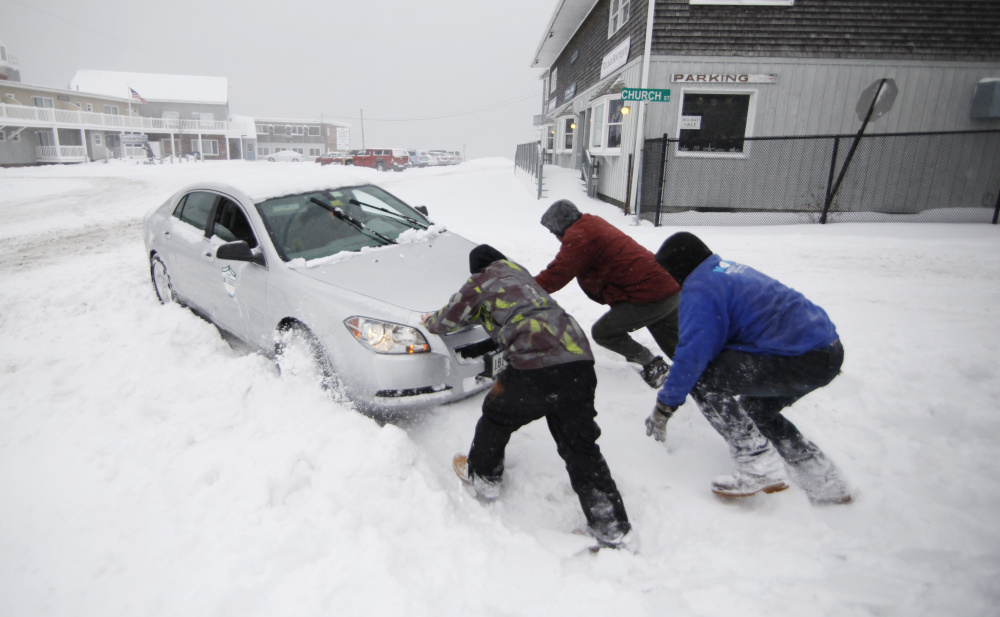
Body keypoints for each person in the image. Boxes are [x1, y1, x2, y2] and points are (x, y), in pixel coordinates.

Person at [423, 244, 633, 548]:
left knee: (497, 414)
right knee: (580, 447)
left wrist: (429, 322)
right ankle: (610, 525)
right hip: (579, 361)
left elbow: (449, 318)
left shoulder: (481, 281)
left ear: (478, 268)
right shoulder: (523, 278)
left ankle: (484, 476)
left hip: (535, 366)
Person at [646, 232, 852, 505]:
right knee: (757, 410)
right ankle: (824, 480)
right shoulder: (724, 269)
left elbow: (692, 357)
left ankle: (757, 464)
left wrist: (664, 406)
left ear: (678, 269)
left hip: (802, 355)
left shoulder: (701, 288)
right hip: (826, 351)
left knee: (702, 380)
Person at [535, 200, 680, 389]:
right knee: (678, 347)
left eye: (553, 231)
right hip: (666, 286)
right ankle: (704, 376)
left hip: (647, 296)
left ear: (559, 226)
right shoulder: (591, 223)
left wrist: (525, 288)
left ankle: (652, 364)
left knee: (604, 333)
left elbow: (556, 274)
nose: (554, 235)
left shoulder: (579, 237)